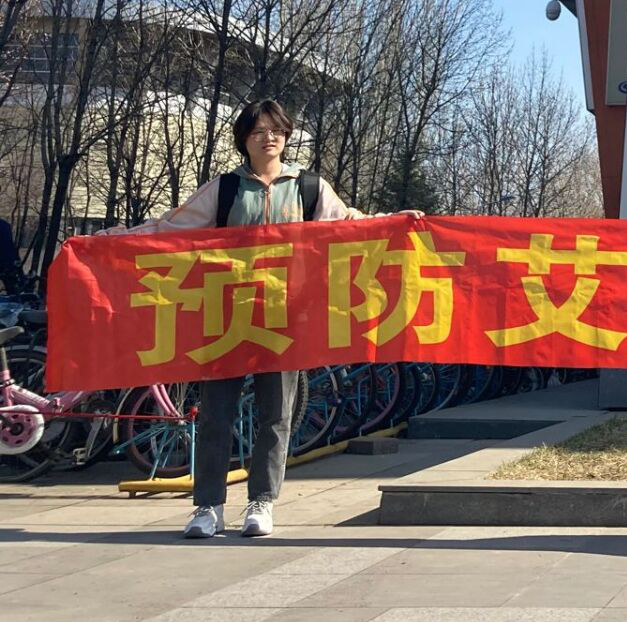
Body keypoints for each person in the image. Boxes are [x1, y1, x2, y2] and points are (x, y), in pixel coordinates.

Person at [104, 98, 415, 540]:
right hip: (225, 314)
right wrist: (117, 239)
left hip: (285, 316)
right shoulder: (226, 189)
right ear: (244, 139)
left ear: (286, 136)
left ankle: (262, 501)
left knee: (277, 414)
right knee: (216, 413)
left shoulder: (308, 187)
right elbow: (172, 226)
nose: (268, 138)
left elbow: (348, 224)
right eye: (258, 131)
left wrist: (393, 222)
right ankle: (208, 506)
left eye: (276, 131)